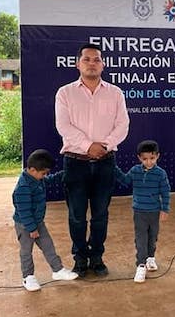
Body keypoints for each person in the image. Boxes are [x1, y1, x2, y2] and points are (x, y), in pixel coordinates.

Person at [55, 44, 130, 278]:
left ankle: (97, 257)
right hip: (75, 162)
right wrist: (89, 146)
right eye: (86, 59)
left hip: (106, 161)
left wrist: (104, 145)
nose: (91, 63)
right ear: (78, 64)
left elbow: (122, 125)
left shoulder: (115, 93)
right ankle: (80, 258)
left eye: (96, 60)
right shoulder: (65, 93)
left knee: (100, 214)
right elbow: (63, 126)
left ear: (103, 65)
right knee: (76, 215)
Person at [12, 149, 80, 291]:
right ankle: (28, 277)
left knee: (48, 245)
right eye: (43, 173)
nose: (45, 176)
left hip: (38, 222)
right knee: (26, 251)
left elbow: (49, 180)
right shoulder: (23, 187)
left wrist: (63, 174)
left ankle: (58, 270)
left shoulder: (37, 179)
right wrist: (32, 229)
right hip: (25, 225)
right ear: (31, 169)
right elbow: (24, 211)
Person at [114, 140, 171, 283]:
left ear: (158, 156)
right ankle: (140, 265)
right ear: (139, 158)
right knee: (141, 239)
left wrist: (165, 209)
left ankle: (150, 258)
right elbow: (125, 181)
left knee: (152, 237)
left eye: (152, 158)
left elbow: (165, 192)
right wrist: (113, 169)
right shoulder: (134, 171)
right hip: (139, 212)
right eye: (145, 159)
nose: (149, 162)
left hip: (154, 212)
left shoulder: (160, 174)